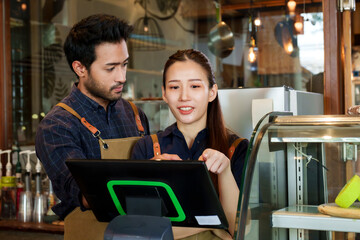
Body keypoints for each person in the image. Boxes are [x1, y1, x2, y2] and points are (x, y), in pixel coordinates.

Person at [35, 14, 149, 239]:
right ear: (80, 68)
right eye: (111, 68)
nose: (122, 76)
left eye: (125, 64)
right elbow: (83, 193)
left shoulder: (135, 114)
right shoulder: (57, 126)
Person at [132, 49, 249, 239]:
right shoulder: (146, 148)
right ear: (164, 93)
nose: (184, 97)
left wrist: (225, 171)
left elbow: (239, 229)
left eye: (194, 86)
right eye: (174, 87)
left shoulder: (237, 148)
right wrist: (215, 226)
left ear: (212, 92)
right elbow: (139, 229)